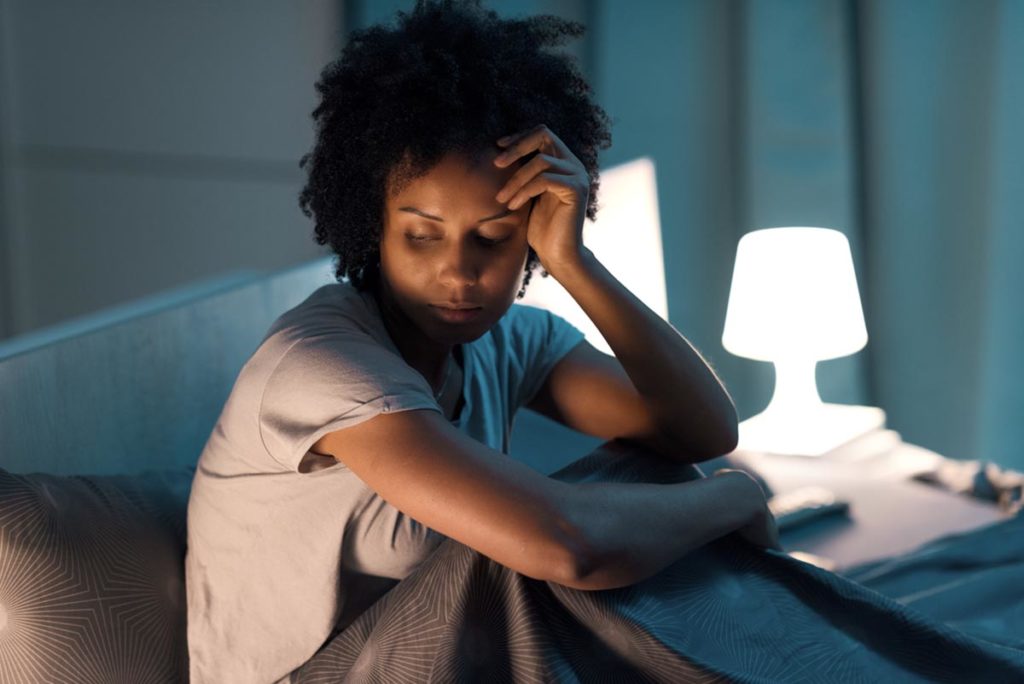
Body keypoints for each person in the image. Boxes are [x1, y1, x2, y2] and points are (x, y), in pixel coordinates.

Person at [184, 2, 778, 682]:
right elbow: (570, 547)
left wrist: (576, 262)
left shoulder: (507, 344)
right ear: (370, 225)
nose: (459, 273)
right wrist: (736, 498)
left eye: (493, 237)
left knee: (654, 476)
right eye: (421, 234)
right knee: (590, 536)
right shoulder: (323, 367)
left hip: (443, 665)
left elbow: (700, 431)